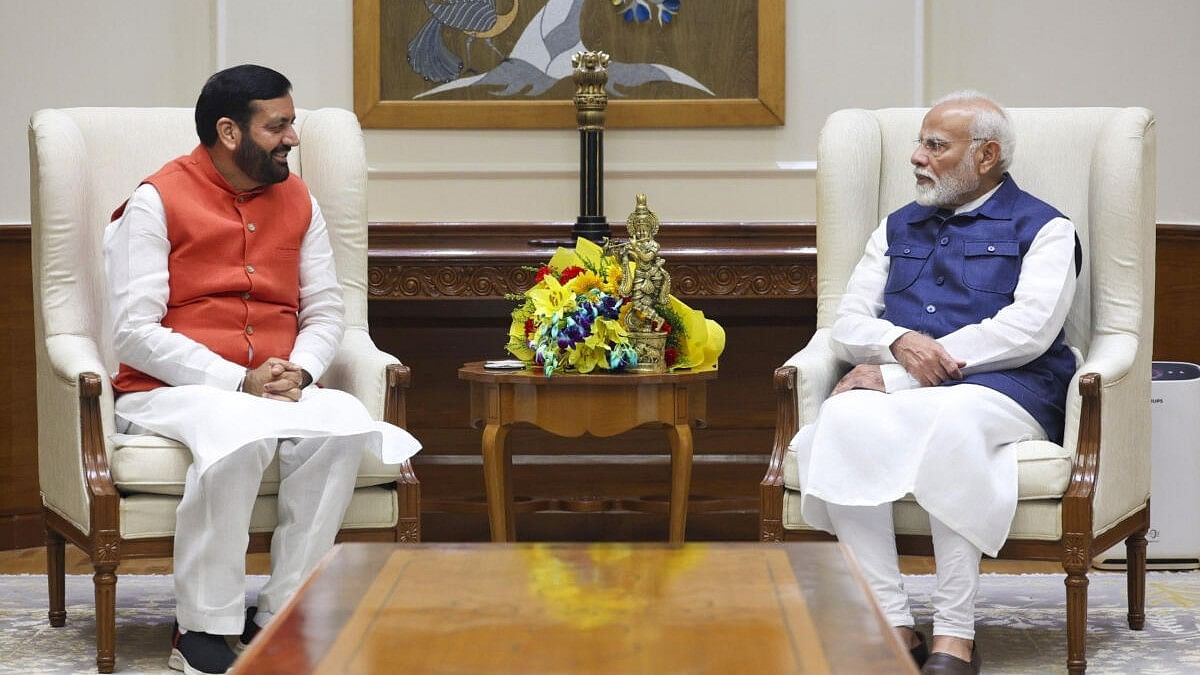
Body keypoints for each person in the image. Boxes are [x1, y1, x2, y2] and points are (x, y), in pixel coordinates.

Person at [103, 64, 421, 675]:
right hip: (174, 390)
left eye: (292, 123)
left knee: (344, 427)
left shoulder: (299, 200)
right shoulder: (155, 200)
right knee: (239, 435)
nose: (292, 138)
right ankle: (201, 627)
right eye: (278, 125)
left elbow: (328, 310)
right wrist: (234, 380)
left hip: (278, 385)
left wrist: (300, 372)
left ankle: (282, 613)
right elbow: (133, 333)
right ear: (229, 131)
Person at [792, 91, 1078, 675]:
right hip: (907, 381)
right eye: (920, 143)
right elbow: (847, 320)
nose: (917, 157)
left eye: (935, 145)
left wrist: (902, 370)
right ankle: (891, 620)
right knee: (842, 418)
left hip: (1011, 388)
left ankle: (955, 634)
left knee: (951, 423)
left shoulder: (1046, 227)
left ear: (988, 154)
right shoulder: (896, 227)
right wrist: (896, 344)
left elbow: (1029, 330)